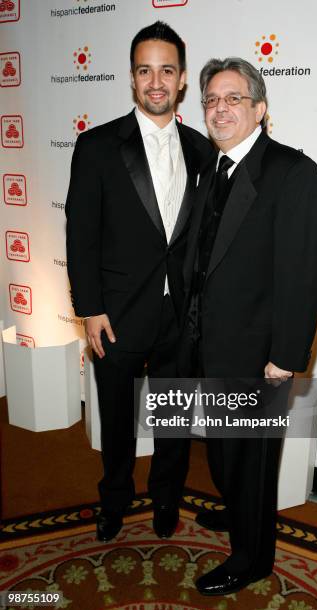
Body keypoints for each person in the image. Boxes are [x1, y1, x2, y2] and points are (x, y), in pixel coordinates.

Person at [179, 57, 317, 595]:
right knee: (224, 451)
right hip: (208, 345)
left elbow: (302, 271)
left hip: (258, 355)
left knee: (254, 459)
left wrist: (285, 356)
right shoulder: (212, 168)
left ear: (260, 109)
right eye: (212, 100)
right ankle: (238, 512)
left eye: (233, 99)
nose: (220, 109)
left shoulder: (291, 172)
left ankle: (252, 556)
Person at [65, 21, 213, 543]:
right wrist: (91, 308)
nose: (156, 81)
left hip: (179, 316)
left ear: (182, 80)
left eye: (166, 70)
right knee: (118, 418)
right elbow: (80, 234)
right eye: (145, 70)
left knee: (173, 418)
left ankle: (166, 498)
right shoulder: (98, 146)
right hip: (118, 314)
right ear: (132, 79)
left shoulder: (201, 149)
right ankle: (114, 498)